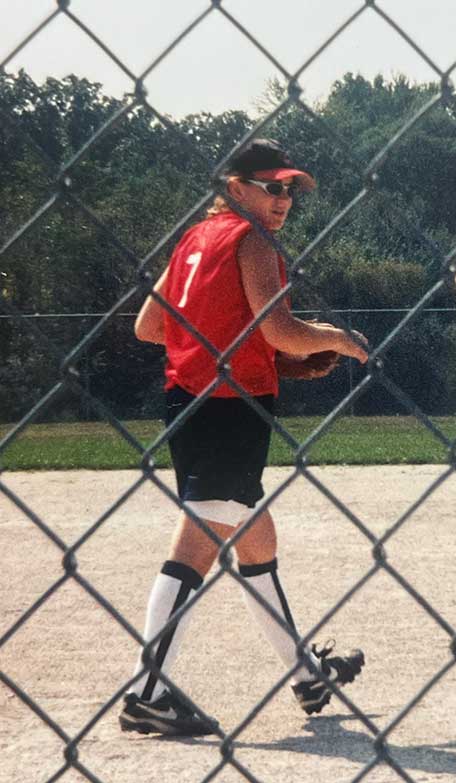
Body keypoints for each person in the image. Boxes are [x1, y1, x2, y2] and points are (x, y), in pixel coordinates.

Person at [120, 138, 370, 736]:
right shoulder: (253, 240)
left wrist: (254, 354)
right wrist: (336, 338)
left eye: (289, 190)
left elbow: (150, 326)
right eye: (271, 187)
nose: (283, 200)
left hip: (187, 401)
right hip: (232, 410)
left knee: (256, 538)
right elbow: (280, 328)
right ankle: (147, 692)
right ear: (235, 187)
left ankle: (306, 675)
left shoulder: (193, 239)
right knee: (197, 545)